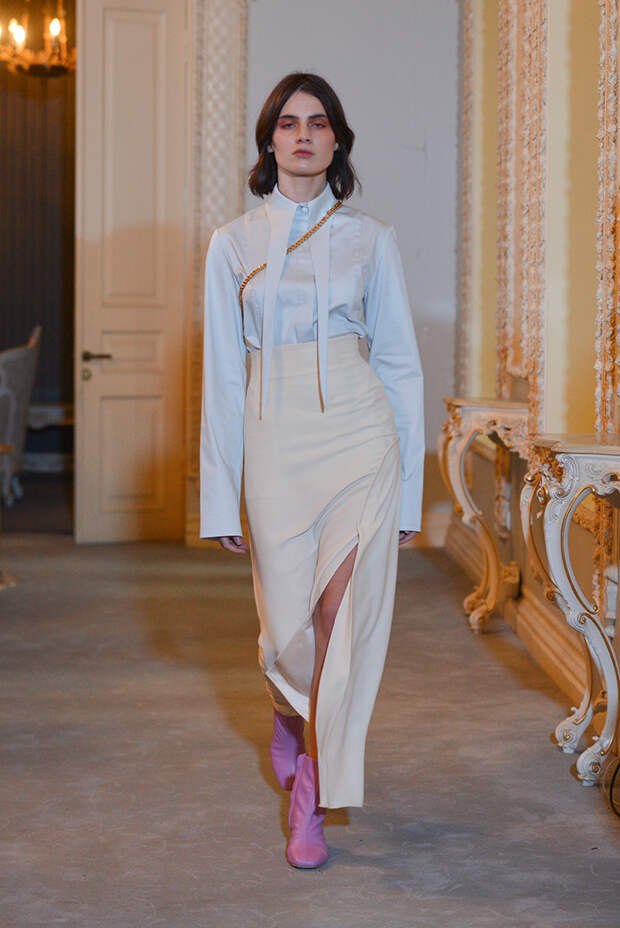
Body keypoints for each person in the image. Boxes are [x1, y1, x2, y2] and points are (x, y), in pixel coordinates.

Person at [200, 72, 424, 868]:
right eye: (289, 122)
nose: (303, 134)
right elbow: (223, 378)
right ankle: (290, 711)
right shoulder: (232, 244)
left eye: (319, 122)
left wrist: (410, 494)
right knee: (286, 634)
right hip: (274, 442)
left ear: (337, 141)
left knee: (340, 618)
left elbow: (398, 365)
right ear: (270, 139)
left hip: (360, 436)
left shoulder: (373, 238)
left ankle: (314, 799)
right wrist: (220, 498)